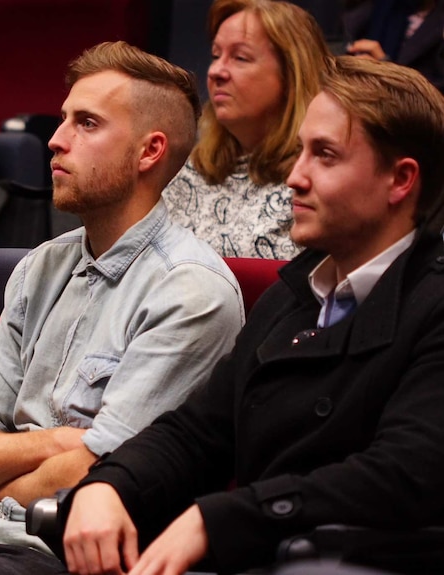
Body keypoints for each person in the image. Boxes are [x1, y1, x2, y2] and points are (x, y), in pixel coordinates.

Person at [0, 41, 245, 575]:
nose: (55, 140)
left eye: (87, 124)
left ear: (149, 152)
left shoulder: (190, 292)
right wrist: (56, 442)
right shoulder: (41, 267)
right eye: (62, 120)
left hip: (74, 554)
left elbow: (100, 472)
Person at [60, 55, 444, 575]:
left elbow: (402, 475)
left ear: (400, 180)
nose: (294, 176)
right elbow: (198, 432)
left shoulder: (433, 303)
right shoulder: (295, 295)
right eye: (301, 151)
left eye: (325, 156)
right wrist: (109, 484)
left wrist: (214, 519)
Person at [162, 0, 331, 260]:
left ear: (292, 76)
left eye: (240, 58)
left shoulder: (316, 181)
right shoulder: (190, 169)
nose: (216, 71)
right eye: (216, 55)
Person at [344, 0, 444, 91]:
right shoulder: (383, 7)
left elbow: (436, 96)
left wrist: (387, 71)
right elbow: (344, 34)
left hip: (409, 104)